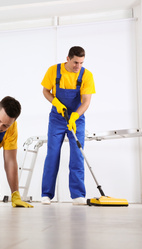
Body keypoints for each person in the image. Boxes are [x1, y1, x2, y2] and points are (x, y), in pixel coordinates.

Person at [41, 46, 95, 205]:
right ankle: (46, 194)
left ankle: (78, 195)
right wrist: (56, 102)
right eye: (75, 62)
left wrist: (75, 116)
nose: (78, 66)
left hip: (76, 119)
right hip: (57, 118)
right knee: (52, 154)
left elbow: (86, 101)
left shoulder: (86, 75)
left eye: (81, 63)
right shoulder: (54, 71)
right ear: (68, 59)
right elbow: (45, 91)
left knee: (77, 155)